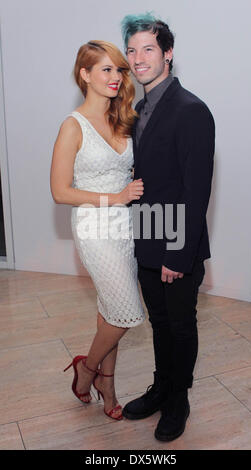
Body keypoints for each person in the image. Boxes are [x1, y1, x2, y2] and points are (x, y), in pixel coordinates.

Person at [121, 14, 215, 441]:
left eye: (148, 49)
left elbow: (196, 194)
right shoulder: (138, 109)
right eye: (132, 50)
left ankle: (179, 399)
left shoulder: (191, 110)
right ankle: (161, 387)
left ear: (168, 54)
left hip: (177, 244)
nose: (138, 59)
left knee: (180, 324)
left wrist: (177, 253)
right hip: (146, 238)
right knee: (159, 323)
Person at [50, 40, 145, 421]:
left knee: (109, 309)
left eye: (119, 70)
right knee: (126, 311)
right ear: (84, 74)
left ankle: (108, 382)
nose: (116, 77)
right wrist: (116, 196)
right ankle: (87, 369)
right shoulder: (72, 126)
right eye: (106, 69)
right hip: (93, 226)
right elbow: (60, 192)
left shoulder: (125, 118)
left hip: (126, 227)